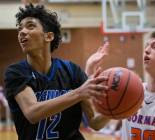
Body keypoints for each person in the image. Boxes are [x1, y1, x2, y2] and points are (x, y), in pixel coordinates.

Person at [4, 4, 110, 140]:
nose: (22, 32)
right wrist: (79, 92)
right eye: (20, 28)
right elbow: (33, 112)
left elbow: (94, 122)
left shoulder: (72, 71)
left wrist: (115, 111)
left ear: (48, 36)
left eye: (30, 26)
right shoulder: (16, 72)